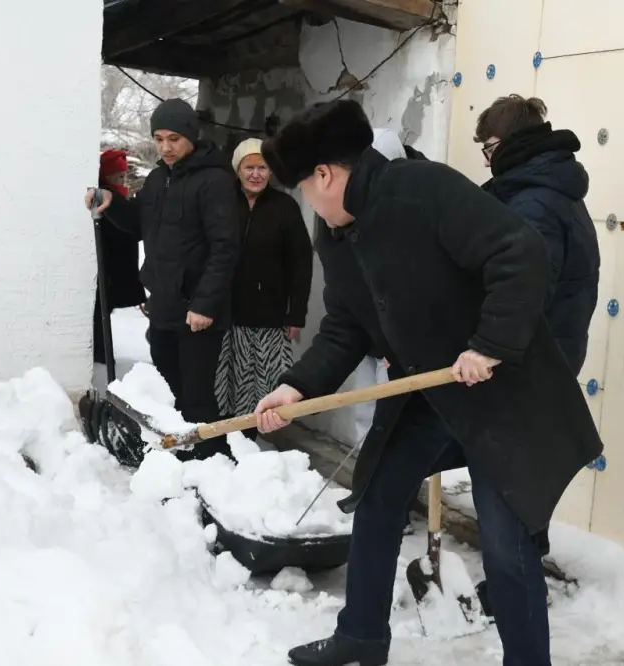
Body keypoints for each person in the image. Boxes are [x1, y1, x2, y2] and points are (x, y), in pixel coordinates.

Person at [253, 99, 603, 666]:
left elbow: (520, 252)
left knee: (506, 542)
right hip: (429, 390)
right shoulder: (337, 232)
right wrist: (296, 388)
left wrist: (490, 343)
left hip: (500, 393)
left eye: (305, 189)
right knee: (377, 496)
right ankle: (361, 637)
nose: (307, 202)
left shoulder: (423, 190)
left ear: (326, 175)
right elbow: (345, 323)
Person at [85, 98, 239, 461]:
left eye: (174, 139)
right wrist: (112, 201)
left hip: (198, 312)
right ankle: (180, 459)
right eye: (158, 139)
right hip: (165, 306)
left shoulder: (214, 181)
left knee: (197, 395)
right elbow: (138, 223)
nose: (165, 147)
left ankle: (213, 463)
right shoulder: (157, 180)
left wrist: (205, 305)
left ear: (191, 136)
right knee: (169, 391)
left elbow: (226, 248)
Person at [475, 94, 599, 375]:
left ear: (511, 142)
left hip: (531, 362)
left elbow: (526, 285)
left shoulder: (534, 205)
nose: (486, 162)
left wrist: (489, 347)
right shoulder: (551, 189)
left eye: (489, 149)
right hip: (548, 353)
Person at [214, 138, 313, 440]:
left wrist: (296, 313)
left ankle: (253, 439)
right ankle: (226, 440)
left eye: (263, 168)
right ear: (238, 169)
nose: (256, 174)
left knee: (263, 382)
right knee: (227, 380)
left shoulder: (285, 206)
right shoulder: (221, 201)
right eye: (249, 168)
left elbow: (301, 262)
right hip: (226, 311)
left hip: (269, 313)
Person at [92, 149, 147, 367]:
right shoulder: (108, 200)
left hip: (115, 273)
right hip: (110, 273)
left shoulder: (119, 200)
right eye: (118, 176)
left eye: (124, 176)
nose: (123, 180)